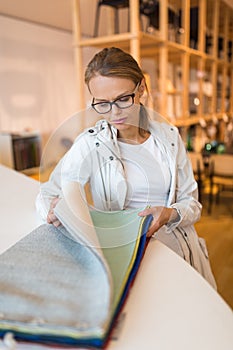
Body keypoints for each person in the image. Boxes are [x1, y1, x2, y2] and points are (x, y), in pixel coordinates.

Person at [36, 47, 217, 289]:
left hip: (176, 254)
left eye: (123, 99)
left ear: (141, 88)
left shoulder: (170, 137)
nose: (114, 112)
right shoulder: (91, 143)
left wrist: (169, 213)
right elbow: (48, 193)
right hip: (123, 259)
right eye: (102, 103)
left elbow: (192, 204)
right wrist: (55, 209)